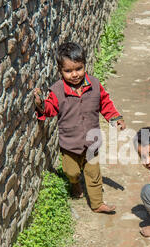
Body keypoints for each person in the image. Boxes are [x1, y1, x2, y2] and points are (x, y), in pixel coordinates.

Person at [33, 42, 126, 213]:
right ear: (60, 71)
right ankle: (75, 184)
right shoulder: (57, 90)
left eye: (78, 69)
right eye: (68, 71)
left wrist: (115, 117)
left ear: (85, 65)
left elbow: (105, 103)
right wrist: (41, 104)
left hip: (92, 142)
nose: (74, 74)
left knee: (93, 174)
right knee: (71, 172)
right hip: (70, 143)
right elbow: (51, 109)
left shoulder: (95, 85)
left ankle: (98, 204)